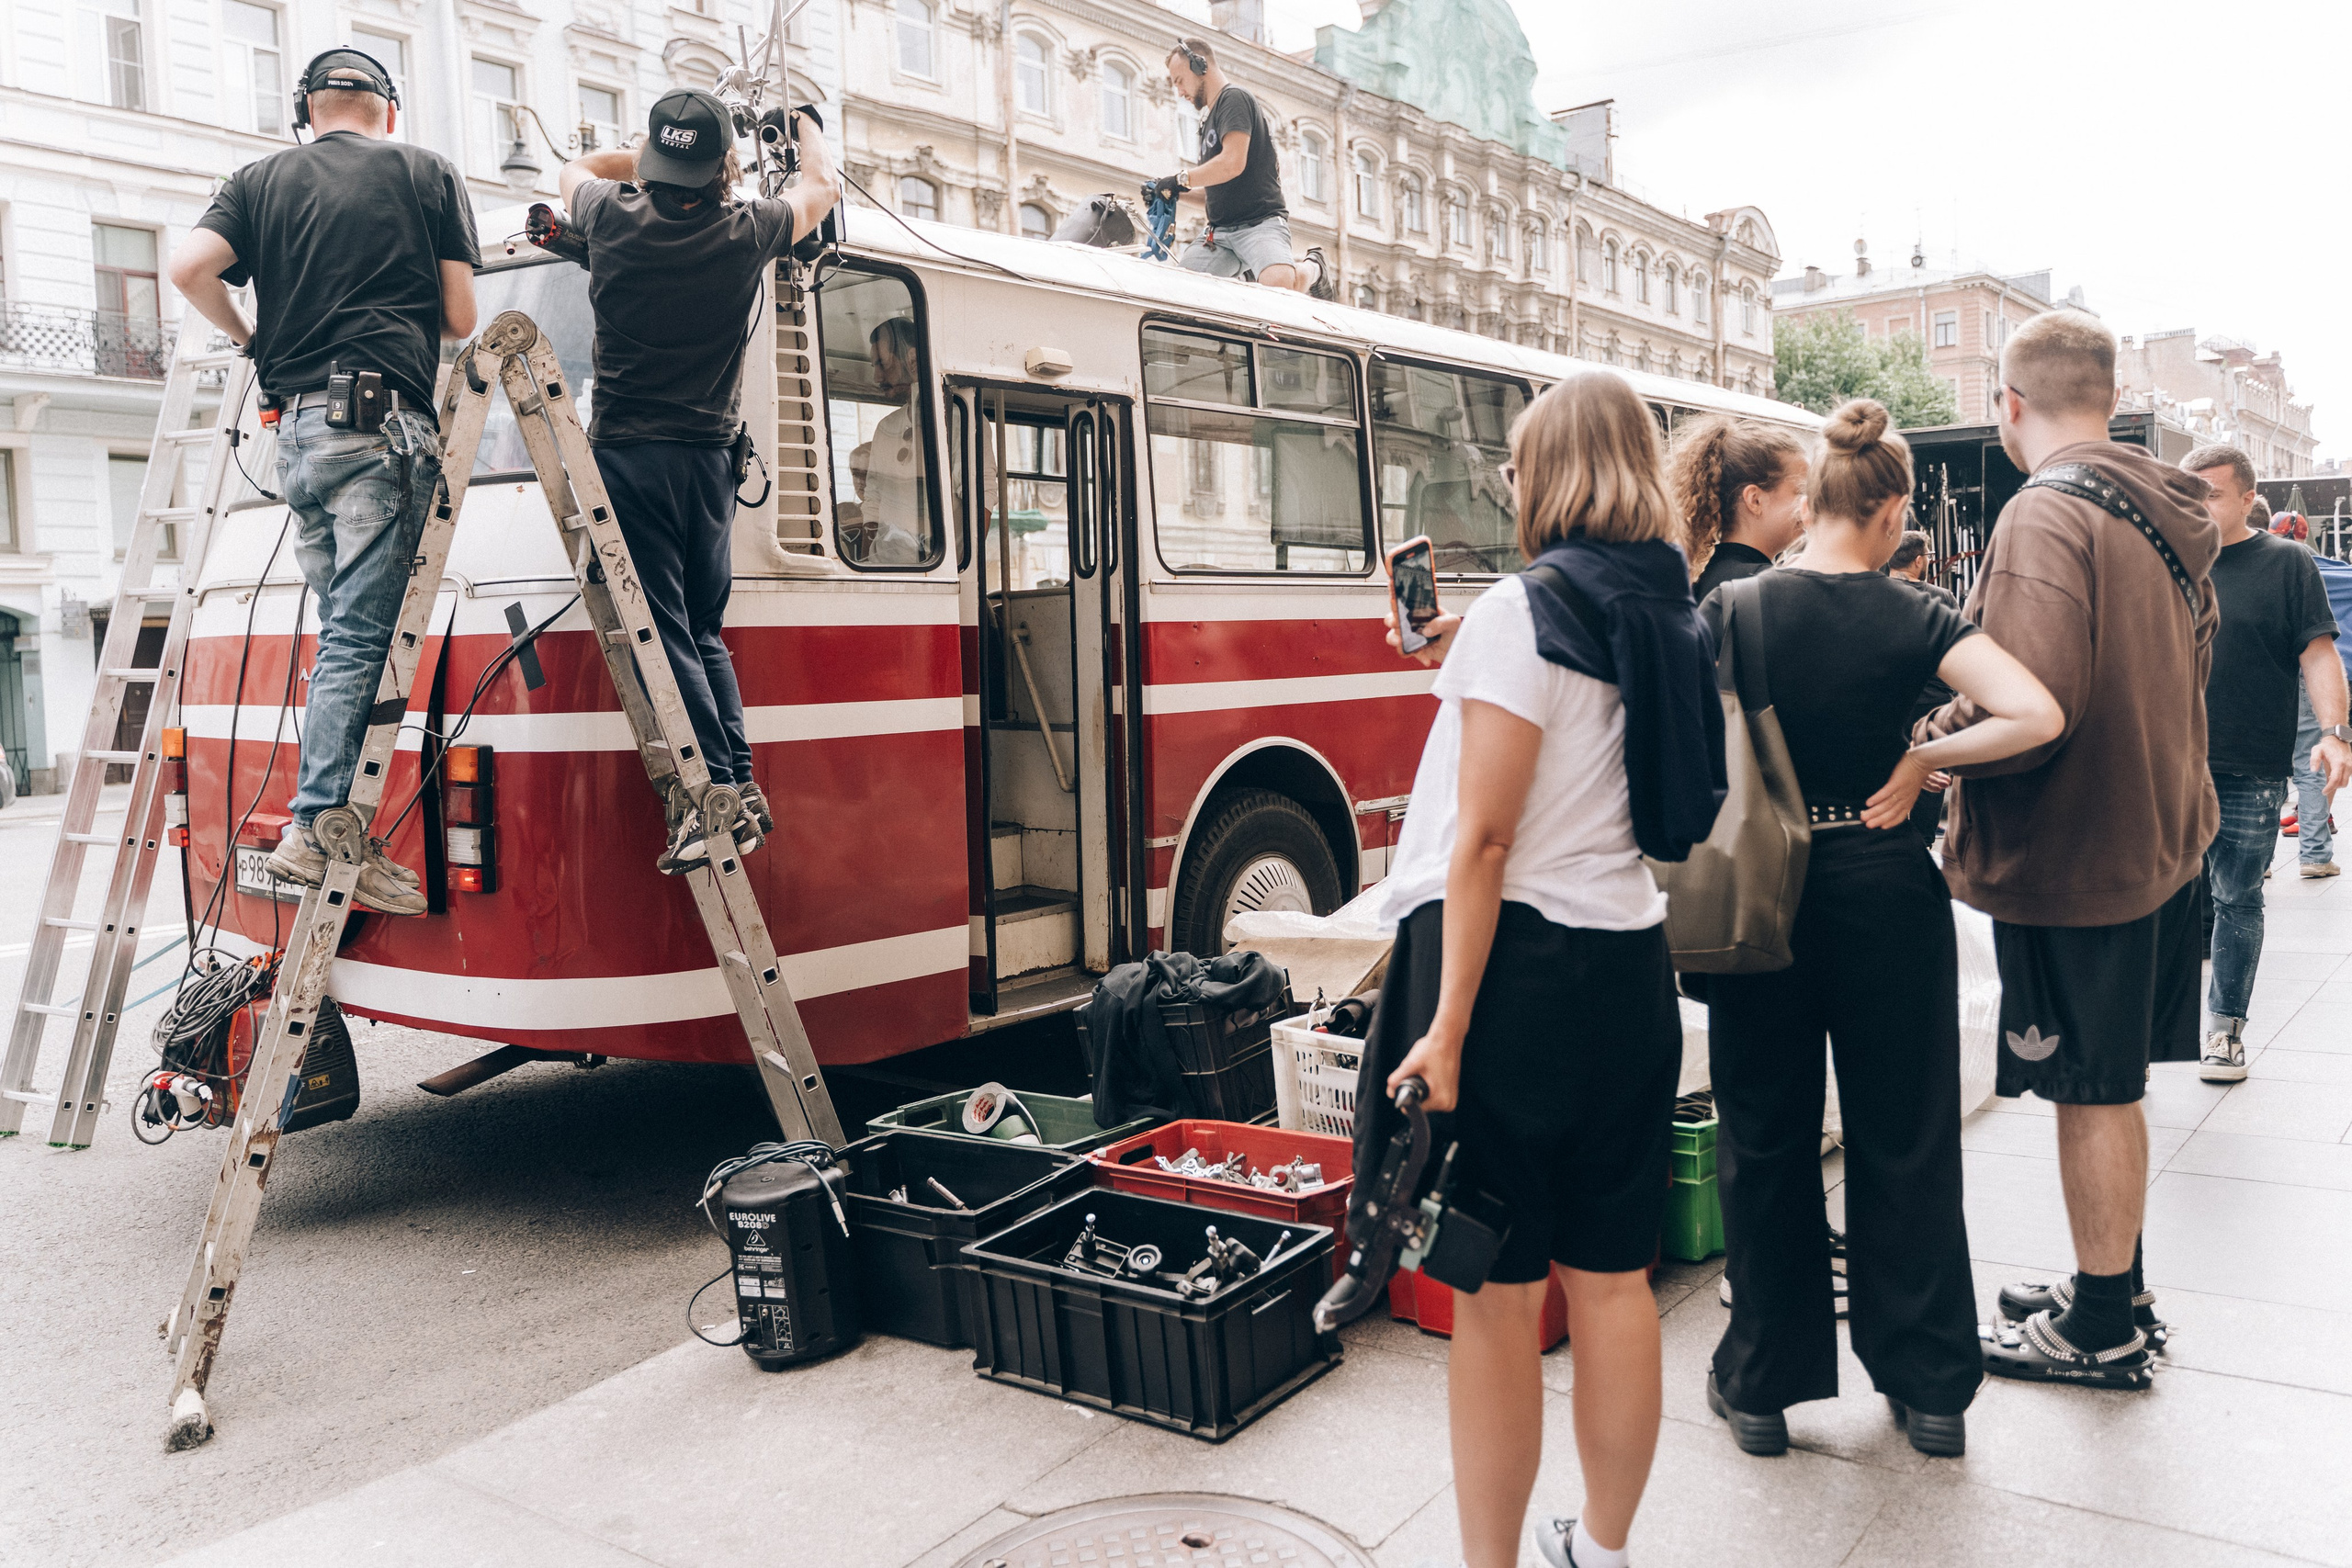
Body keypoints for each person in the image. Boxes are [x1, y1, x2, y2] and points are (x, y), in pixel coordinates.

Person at [1370, 370, 1725, 1568]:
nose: (1509, 484)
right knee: (1616, 1281)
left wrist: (1448, 1024)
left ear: (1553, 471)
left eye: (1518, 463)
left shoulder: (1520, 614)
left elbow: (1482, 838)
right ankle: (1608, 1546)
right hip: (1633, 973)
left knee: (1496, 1291)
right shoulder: (1673, 610)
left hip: (1517, 985)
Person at [1697, 400, 2064, 1461]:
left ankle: (1762, 1386)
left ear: (1813, 499)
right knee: (1902, 1133)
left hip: (1761, 892)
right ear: (1897, 507)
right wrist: (1922, 764)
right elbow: (2034, 714)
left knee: (1762, 1131)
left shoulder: (1737, 607)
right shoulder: (1919, 612)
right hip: (1882, 879)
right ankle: (1930, 1388)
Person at [1915, 310, 2221, 1390]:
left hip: (2077, 853)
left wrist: (1931, 745)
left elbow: (2029, 702)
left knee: (2088, 1089)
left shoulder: (2045, 515)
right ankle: (2114, 1284)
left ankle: (2100, 1329)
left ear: (2008, 404)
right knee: (2110, 1081)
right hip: (2159, 835)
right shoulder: (2166, 510)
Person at [169, 49, 480, 918]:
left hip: (295, 433)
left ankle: (326, 814)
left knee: (337, 627)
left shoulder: (258, 179)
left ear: (304, 110)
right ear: (389, 109)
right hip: (380, 423)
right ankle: (325, 827)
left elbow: (188, 267)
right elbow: (461, 318)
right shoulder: (426, 173)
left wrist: (252, 339)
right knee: (361, 637)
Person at [559, 90, 841, 872]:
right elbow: (819, 188)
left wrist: (637, 156)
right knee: (703, 630)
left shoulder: (608, 216)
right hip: (711, 461)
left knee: (666, 627)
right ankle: (742, 785)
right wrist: (804, 126)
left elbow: (574, 166)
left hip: (630, 457)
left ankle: (715, 792)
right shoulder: (745, 228)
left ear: (653, 164)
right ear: (722, 170)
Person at [2181, 444, 2350, 1079]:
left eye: (2212, 493)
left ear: (2249, 497)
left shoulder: (2286, 562)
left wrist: (2335, 731)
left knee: (2237, 897)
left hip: (2249, 763)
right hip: (2165, 762)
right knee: (2157, 902)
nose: (2197, 504)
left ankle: (2225, 1030)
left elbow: (2318, 652)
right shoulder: (2166, 560)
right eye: (2188, 491)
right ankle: (2143, 1037)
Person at [1157, 38, 1302, 290]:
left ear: (1200, 66)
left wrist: (1180, 179)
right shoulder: (1207, 121)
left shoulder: (1234, 99)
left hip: (1260, 224)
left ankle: (1312, 268)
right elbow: (1217, 191)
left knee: (1278, 286)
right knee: (1178, 291)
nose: (1179, 92)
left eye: (1179, 81)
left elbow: (1232, 164)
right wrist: (1172, 191)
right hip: (1219, 235)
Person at [1666, 415, 1809, 603]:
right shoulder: (1770, 587)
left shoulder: (1709, 579)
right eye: (1800, 491)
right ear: (1755, 500)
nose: (1810, 502)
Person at [853, 317, 930, 565]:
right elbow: (873, 501)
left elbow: (982, 495)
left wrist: (959, 571)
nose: (876, 377)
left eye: (882, 364)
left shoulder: (958, 420)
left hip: (931, 573)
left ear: (912, 359)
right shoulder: (886, 428)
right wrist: (863, 568)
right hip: (882, 571)